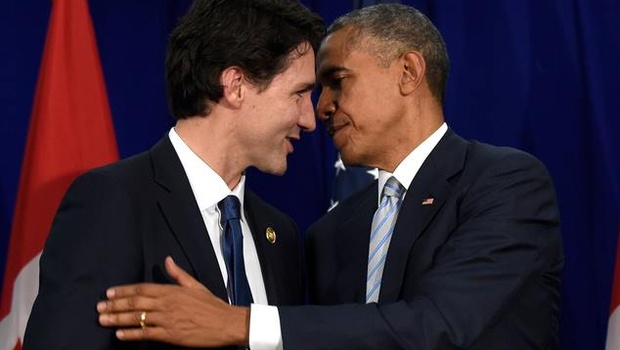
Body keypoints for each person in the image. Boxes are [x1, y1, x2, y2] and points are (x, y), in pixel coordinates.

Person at [97, 3, 563, 349]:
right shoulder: (328, 234)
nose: (320, 109)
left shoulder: (506, 185)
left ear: (408, 72)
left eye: (338, 82)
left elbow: (439, 324)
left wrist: (238, 323)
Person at [22, 0, 324, 349]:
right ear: (236, 84)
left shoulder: (280, 235)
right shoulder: (113, 202)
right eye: (299, 93)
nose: (309, 119)